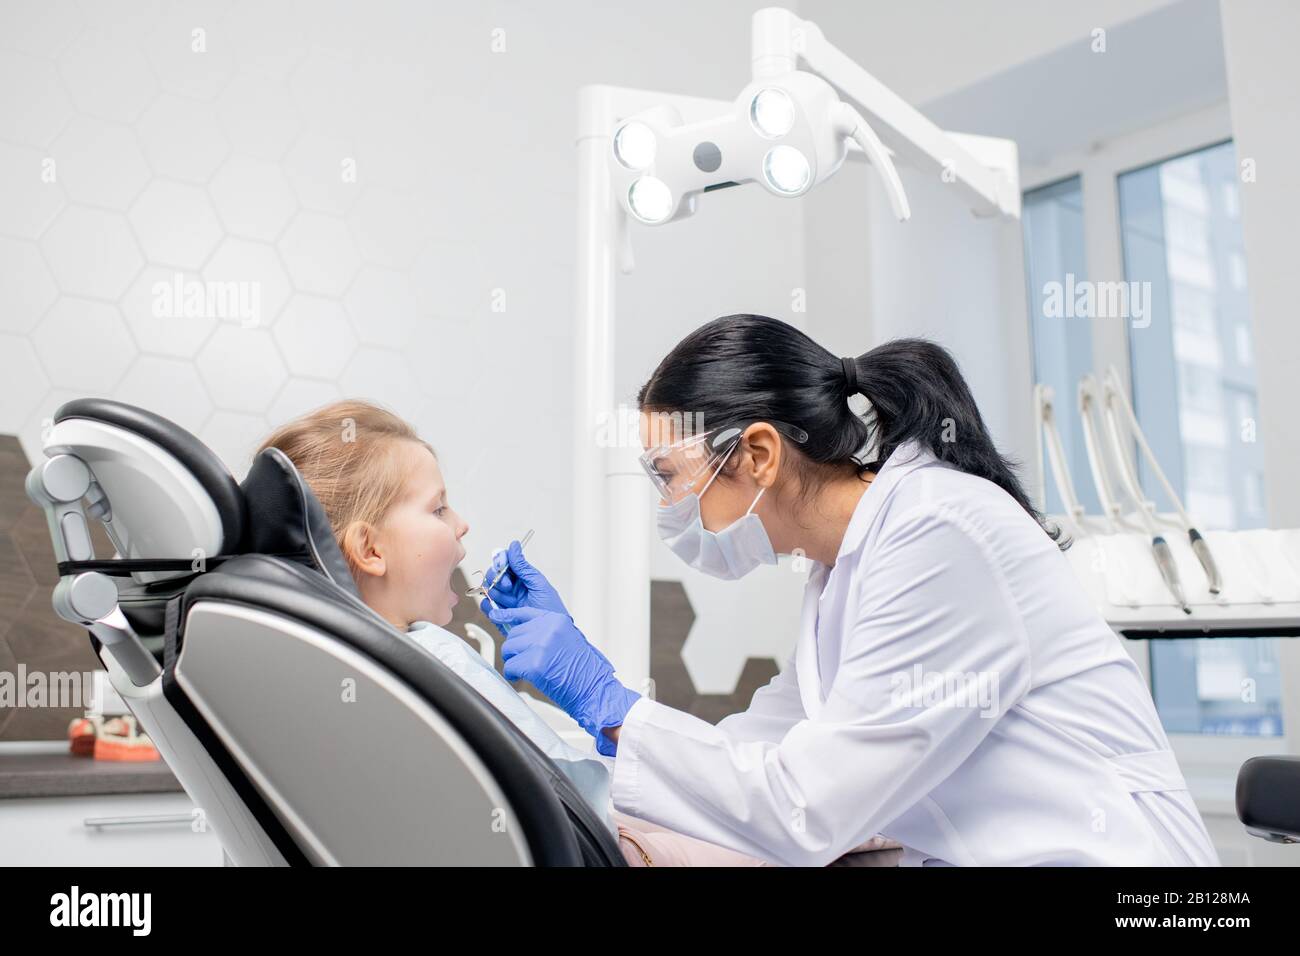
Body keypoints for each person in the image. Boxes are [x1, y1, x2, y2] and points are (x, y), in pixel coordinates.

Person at [481, 313, 1222, 867]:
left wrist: (608, 700)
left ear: (760, 454)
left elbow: (804, 808)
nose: (670, 506)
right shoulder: (844, 572)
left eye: (668, 475)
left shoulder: (939, 533)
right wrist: (586, 738)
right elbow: (753, 757)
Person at [257, 399, 801, 866]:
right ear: (371, 549)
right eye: (439, 507)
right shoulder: (433, 659)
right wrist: (602, 704)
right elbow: (590, 798)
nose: (462, 523)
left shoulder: (341, 675)